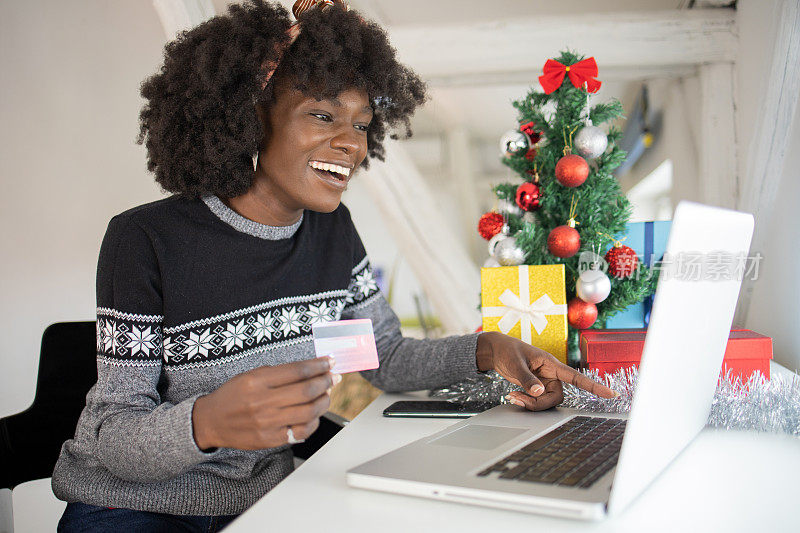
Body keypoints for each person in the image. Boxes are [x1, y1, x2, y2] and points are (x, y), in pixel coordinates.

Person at [52, 1, 617, 530]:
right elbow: (110, 433)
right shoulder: (146, 239)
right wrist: (207, 421)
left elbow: (384, 360)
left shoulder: (333, 233)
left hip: (264, 502)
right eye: (323, 114)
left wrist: (488, 349)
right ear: (249, 119)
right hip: (133, 508)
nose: (350, 143)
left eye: (363, 123)